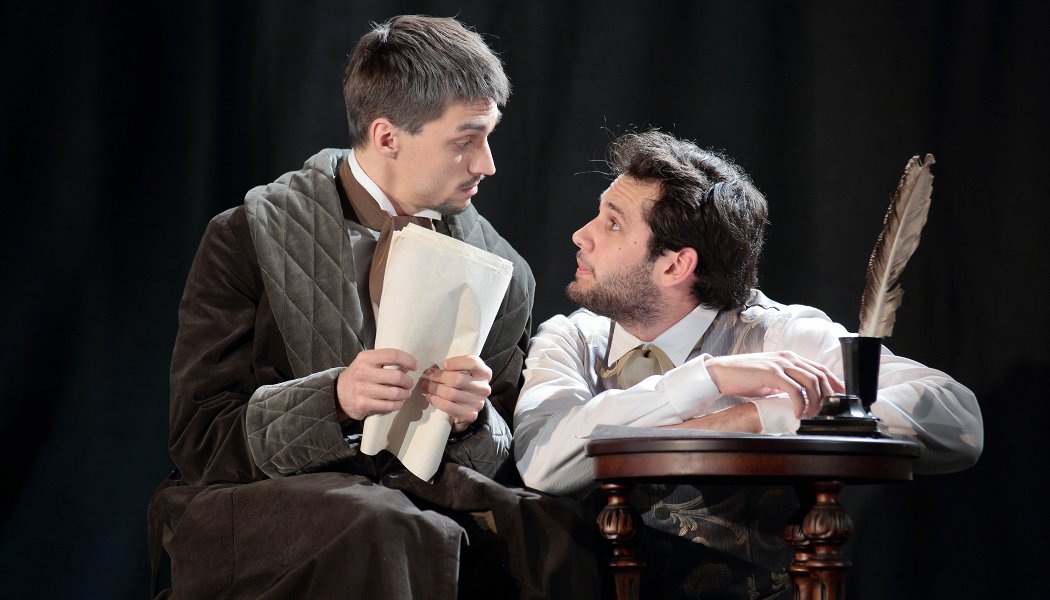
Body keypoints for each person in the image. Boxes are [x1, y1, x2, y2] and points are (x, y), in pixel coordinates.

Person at [148, 15, 596, 600]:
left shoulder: (502, 274)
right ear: (387, 137)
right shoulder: (246, 236)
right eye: (465, 141)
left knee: (561, 539)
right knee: (384, 528)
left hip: (425, 495)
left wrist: (473, 420)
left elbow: (508, 449)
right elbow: (200, 437)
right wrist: (333, 399)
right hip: (263, 502)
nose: (487, 164)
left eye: (489, 136)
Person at [513, 130, 984, 599]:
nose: (581, 235)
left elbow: (957, 418)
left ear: (675, 266)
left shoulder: (776, 334)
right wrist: (707, 377)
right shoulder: (573, 339)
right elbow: (543, 464)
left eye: (613, 224)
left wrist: (760, 416)